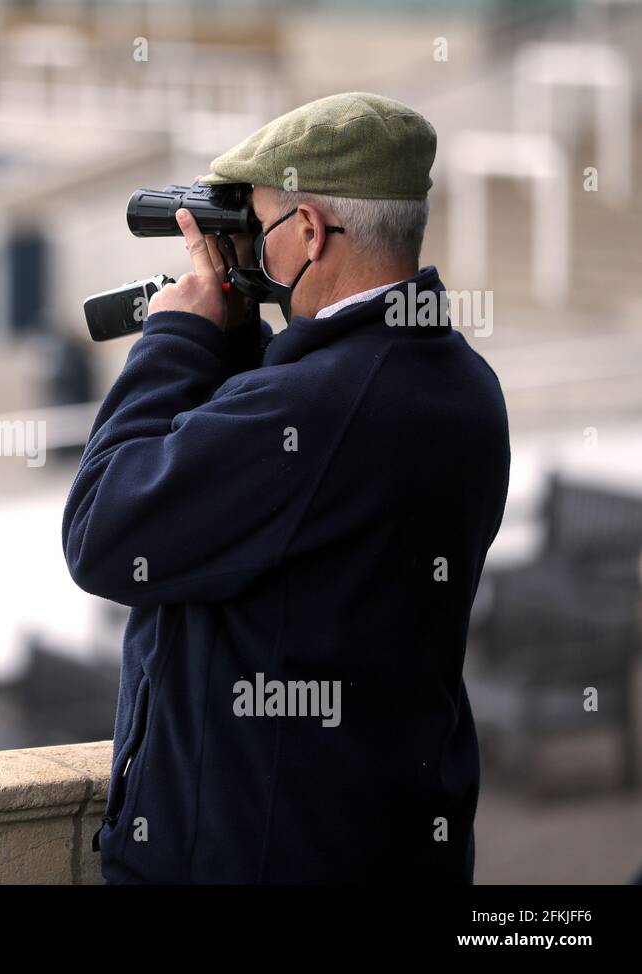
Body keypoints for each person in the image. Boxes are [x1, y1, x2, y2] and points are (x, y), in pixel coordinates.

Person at [61, 91, 511, 883]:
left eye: (263, 227)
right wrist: (239, 347)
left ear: (309, 231)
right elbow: (272, 515)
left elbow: (103, 532)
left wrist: (178, 334)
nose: (253, 252)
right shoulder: (464, 385)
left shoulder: (313, 407)